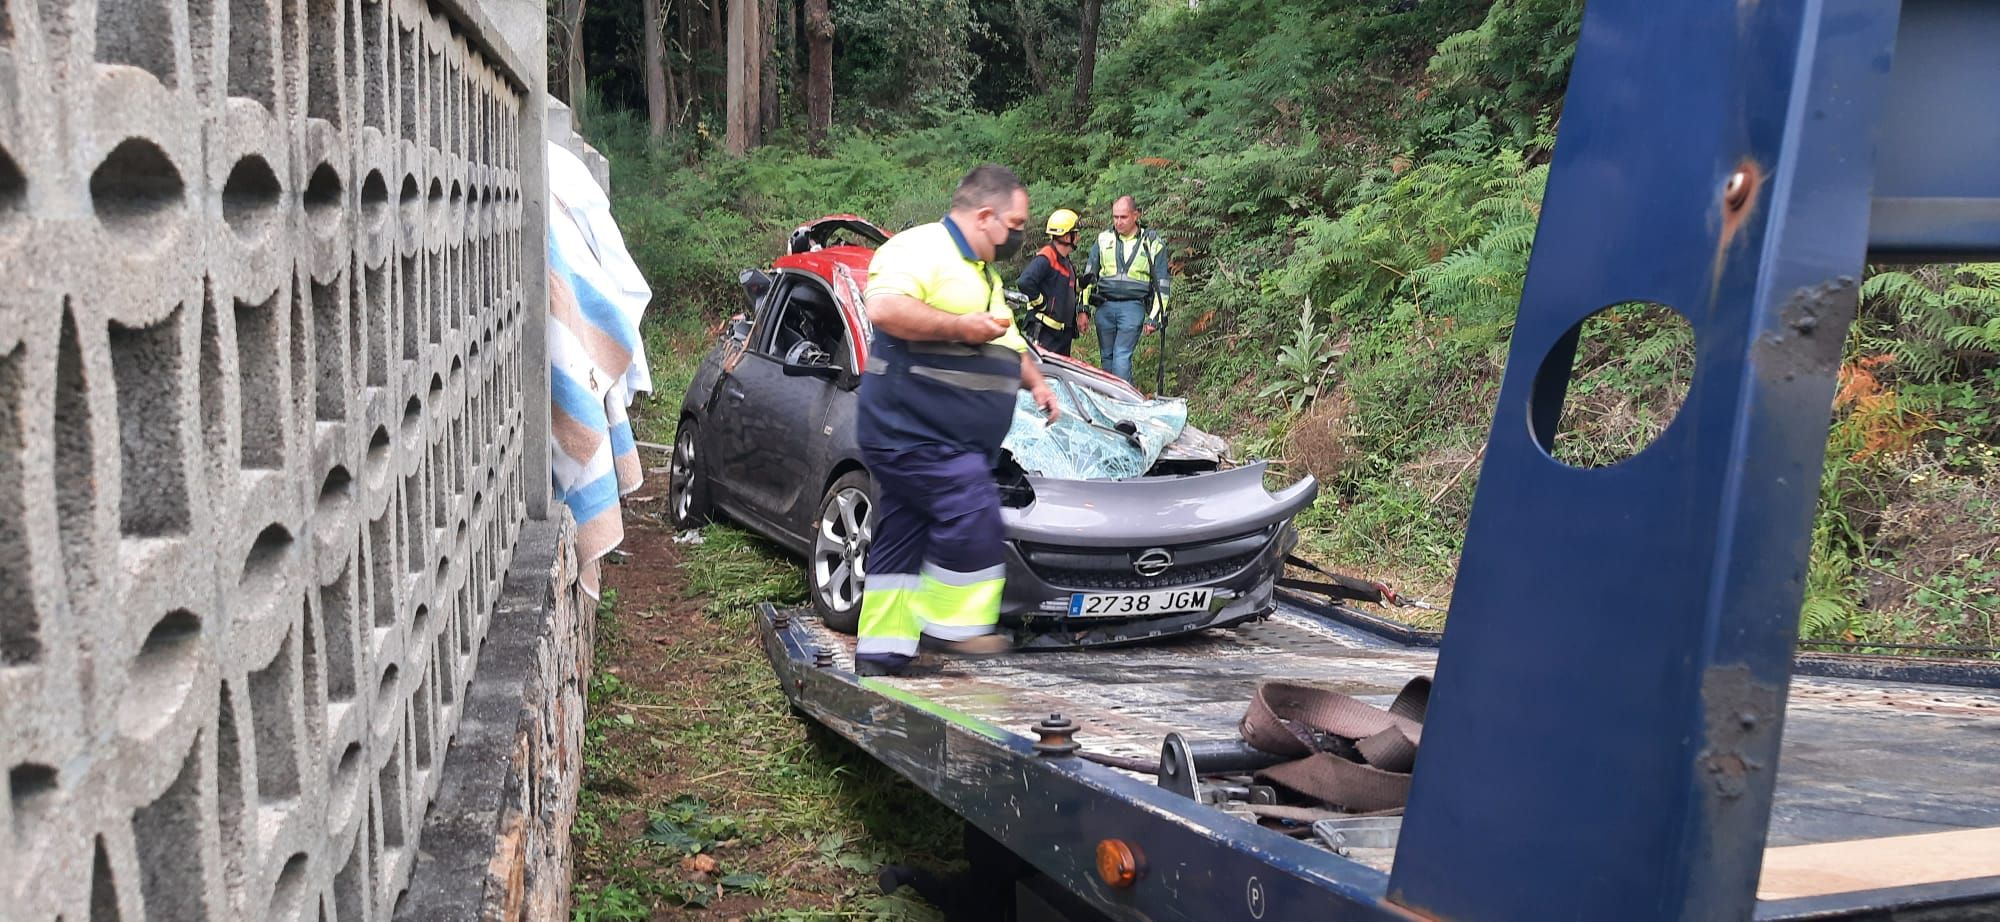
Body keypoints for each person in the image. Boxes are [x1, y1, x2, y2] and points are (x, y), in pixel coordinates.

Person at [852, 164, 1062, 677]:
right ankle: (954, 629)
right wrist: (961, 328)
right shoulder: (919, 249)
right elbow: (883, 308)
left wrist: (1035, 381)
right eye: (1015, 223)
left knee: (903, 535)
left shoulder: (982, 273)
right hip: (911, 433)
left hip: (948, 438)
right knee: (972, 508)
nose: (1019, 234)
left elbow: (1007, 341)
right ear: (985, 214)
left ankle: (882, 653)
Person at [1080, 195, 1171, 384]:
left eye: (1123, 217)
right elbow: (1088, 277)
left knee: (1121, 357)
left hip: (1133, 306)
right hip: (1104, 305)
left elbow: (1162, 284)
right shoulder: (1103, 239)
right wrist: (1083, 309)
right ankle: (1108, 400)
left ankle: (1122, 402)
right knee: (1107, 356)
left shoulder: (1152, 242)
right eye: (1115, 217)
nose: (1118, 222)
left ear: (1135, 215)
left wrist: (1155, 317)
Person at [1014, 208, 1087, 356]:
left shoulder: (1065, 261)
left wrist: (1080, 285)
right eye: (1076, 233)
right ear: (1067, 237)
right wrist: (1042, 304)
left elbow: (1059, 289)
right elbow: (1025, 282)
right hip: (1044, 333)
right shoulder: (1046, 258)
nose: (1078, 236)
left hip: (1061, 334)